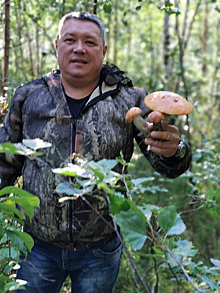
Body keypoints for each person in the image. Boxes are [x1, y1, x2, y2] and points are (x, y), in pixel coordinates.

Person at [0, 11, 192, 293]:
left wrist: (174, 151)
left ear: (103, 51)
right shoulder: (29, 96)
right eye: (70, 40)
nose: (79, 48)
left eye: (89, 42)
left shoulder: (130, 99)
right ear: (57, 46)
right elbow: (5, 162)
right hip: (36, 245)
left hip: (100, 248)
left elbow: (166, 163)